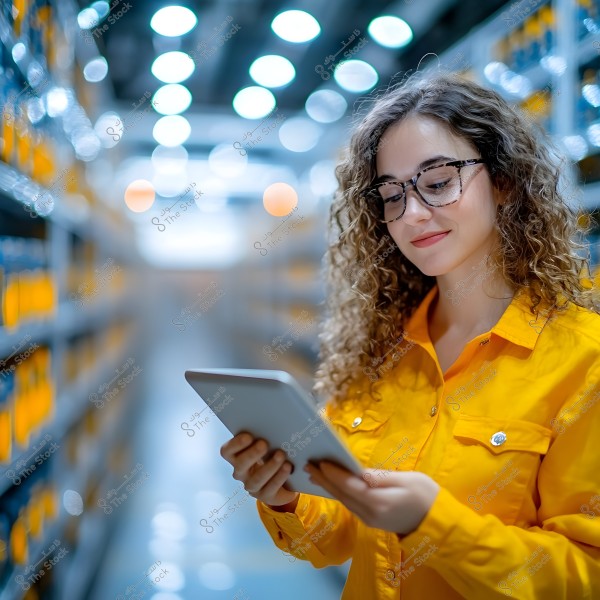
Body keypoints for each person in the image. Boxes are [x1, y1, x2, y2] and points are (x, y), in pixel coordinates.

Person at [220, 71, 600, 599]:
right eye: (391, 194)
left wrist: (433, 523)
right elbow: (336, 538)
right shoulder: (379, 349)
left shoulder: (585, 361)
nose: (413, 214)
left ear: (505, 181)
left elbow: (584, 578)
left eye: (438, 181)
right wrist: (288, 497)